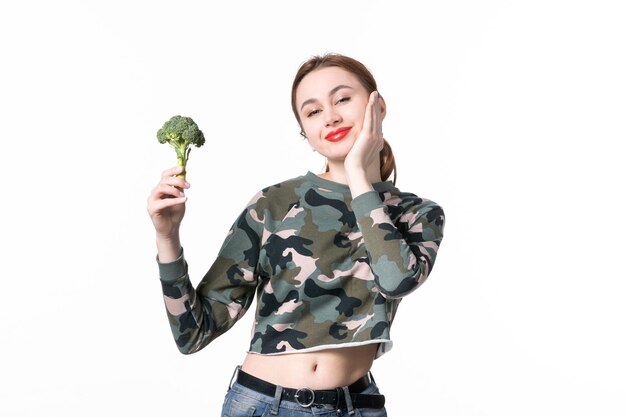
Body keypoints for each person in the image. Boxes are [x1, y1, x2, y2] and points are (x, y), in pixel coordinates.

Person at [147, 53, 445, 416]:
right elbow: (192, 334)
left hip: (356, 407)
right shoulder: (273, 204)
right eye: (313, 111)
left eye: (342, 99)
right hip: (263, 405)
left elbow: (396, 279)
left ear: (377, 106)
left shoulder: (418, 214)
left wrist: (356, 173)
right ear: (305, 132)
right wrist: (167, 238)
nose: (331, 116)